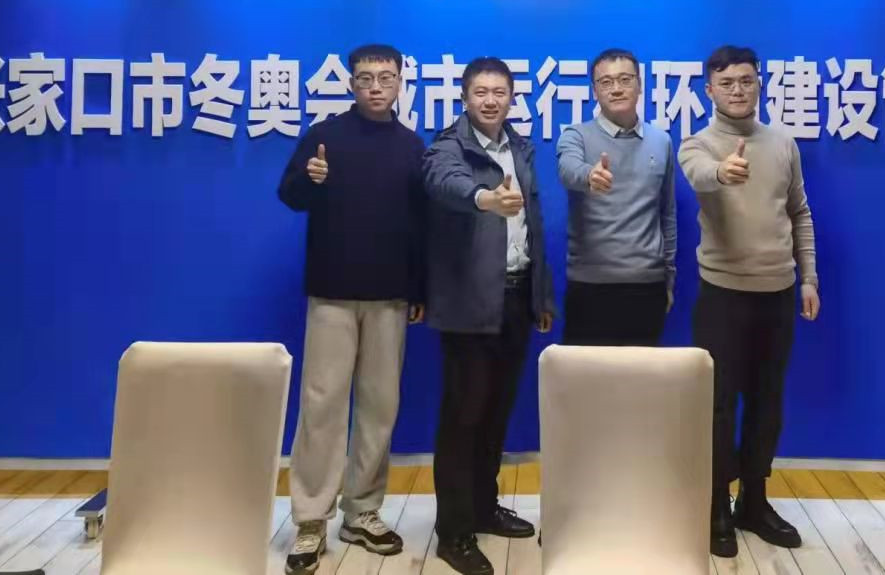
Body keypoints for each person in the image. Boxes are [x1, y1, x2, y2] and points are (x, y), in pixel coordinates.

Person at [277, 44, 426, 574]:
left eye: (386, 77)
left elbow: (421, 226)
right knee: (322, 406)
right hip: (333, 293)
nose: (376, 87)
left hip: (391, 297)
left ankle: (362, 510)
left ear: (400, 82)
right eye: (365, 78)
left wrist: (419, 290)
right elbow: (289, 195)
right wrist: (309, 178)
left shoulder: (412, 146)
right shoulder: (325, 136)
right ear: (351, 84)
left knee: (380, 408)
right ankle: (310, 518)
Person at [677, 45, 821, 558]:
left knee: (767, 402)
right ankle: (716, 504)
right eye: (726, 83)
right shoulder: (697, 143)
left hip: (778, 294)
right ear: (709, 90)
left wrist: (809, 278)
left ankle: (754, 502)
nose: (737, 90)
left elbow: (799, 212)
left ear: (759, 84)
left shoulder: (783, 143)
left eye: (746, 80)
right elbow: (699, 174)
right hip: (723, 296)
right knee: (717, 405)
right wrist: (723, 173)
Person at [422, 57, 557, 575]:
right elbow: (445, 183)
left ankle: (483, 506)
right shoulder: (448, 146)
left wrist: (541, 297)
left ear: (512, 98)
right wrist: (483, 198)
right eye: (480, 92)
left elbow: (533, 224)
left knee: (496, 412)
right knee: (464, 417)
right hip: (469, 301)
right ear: (465, 97)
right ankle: (454, 532)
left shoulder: (520, 147)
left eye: (499, 92)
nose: (490, 100)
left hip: (517, 297)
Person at [555, 47, 677, 345]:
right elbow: (567, 169)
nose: (617, 88)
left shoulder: (661, 141)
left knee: (640, 374)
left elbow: (667, 214)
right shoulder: (576, 135)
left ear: (640, 85)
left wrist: (668, 277)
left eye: (625, 79)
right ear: (594, 91)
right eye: (606, 82)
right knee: (585, 374)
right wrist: (589, 175)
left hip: (647, 285)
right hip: (590, 286)